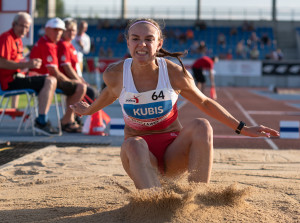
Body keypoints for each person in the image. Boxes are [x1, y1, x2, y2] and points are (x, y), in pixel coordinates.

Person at [70, 18, 279, 190]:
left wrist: (242, 128)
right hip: (139, 155)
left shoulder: (174, 73)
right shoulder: (115, 74)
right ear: (128, 42)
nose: (142, 44)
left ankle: (197, 198)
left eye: (148, 39)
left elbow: (205, 102)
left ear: (159, 44)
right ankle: (154, 203)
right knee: (133, 143)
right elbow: (109, 95)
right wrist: (88, 110)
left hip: (173, 154)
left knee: (201, 125)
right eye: (135, 39)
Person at [0, 12, 58, 135]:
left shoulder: (19, 41)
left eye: (27, 27)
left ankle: (43, 119)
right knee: (49, 81)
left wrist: (29, 71)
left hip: (17, 77)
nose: (25, 29)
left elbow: (17, 64)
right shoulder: (6, 38)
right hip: (8, 82)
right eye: (22, 26)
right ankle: (41, 122)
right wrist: (26, 65)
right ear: (13, 25)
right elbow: (2, 63)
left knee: (49, 79)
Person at [30, 17, 86, 133]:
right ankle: (65, 121)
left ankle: (70, 119)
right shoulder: (49, 44)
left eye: (60, 30)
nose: (58, 33)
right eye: (55, 30)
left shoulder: (52, 43)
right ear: (47, 30)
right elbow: (55, 71)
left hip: (46, 78)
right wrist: (73, 81)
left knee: (83, 88)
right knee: (81, 87)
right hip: (41, 79)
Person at [57, 18, 98, 102]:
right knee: (91, 92)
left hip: (76, 68)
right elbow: (67, 67)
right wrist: (80, 81)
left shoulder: (70, 44)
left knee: (92, 91)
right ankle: (73, 114)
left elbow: (87, 50)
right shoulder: (63, 44)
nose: (71, 33)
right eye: (68, 30)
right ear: (63, 31)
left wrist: (81, 80)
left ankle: (76, 114)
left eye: (73, 30)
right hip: (65, 79)